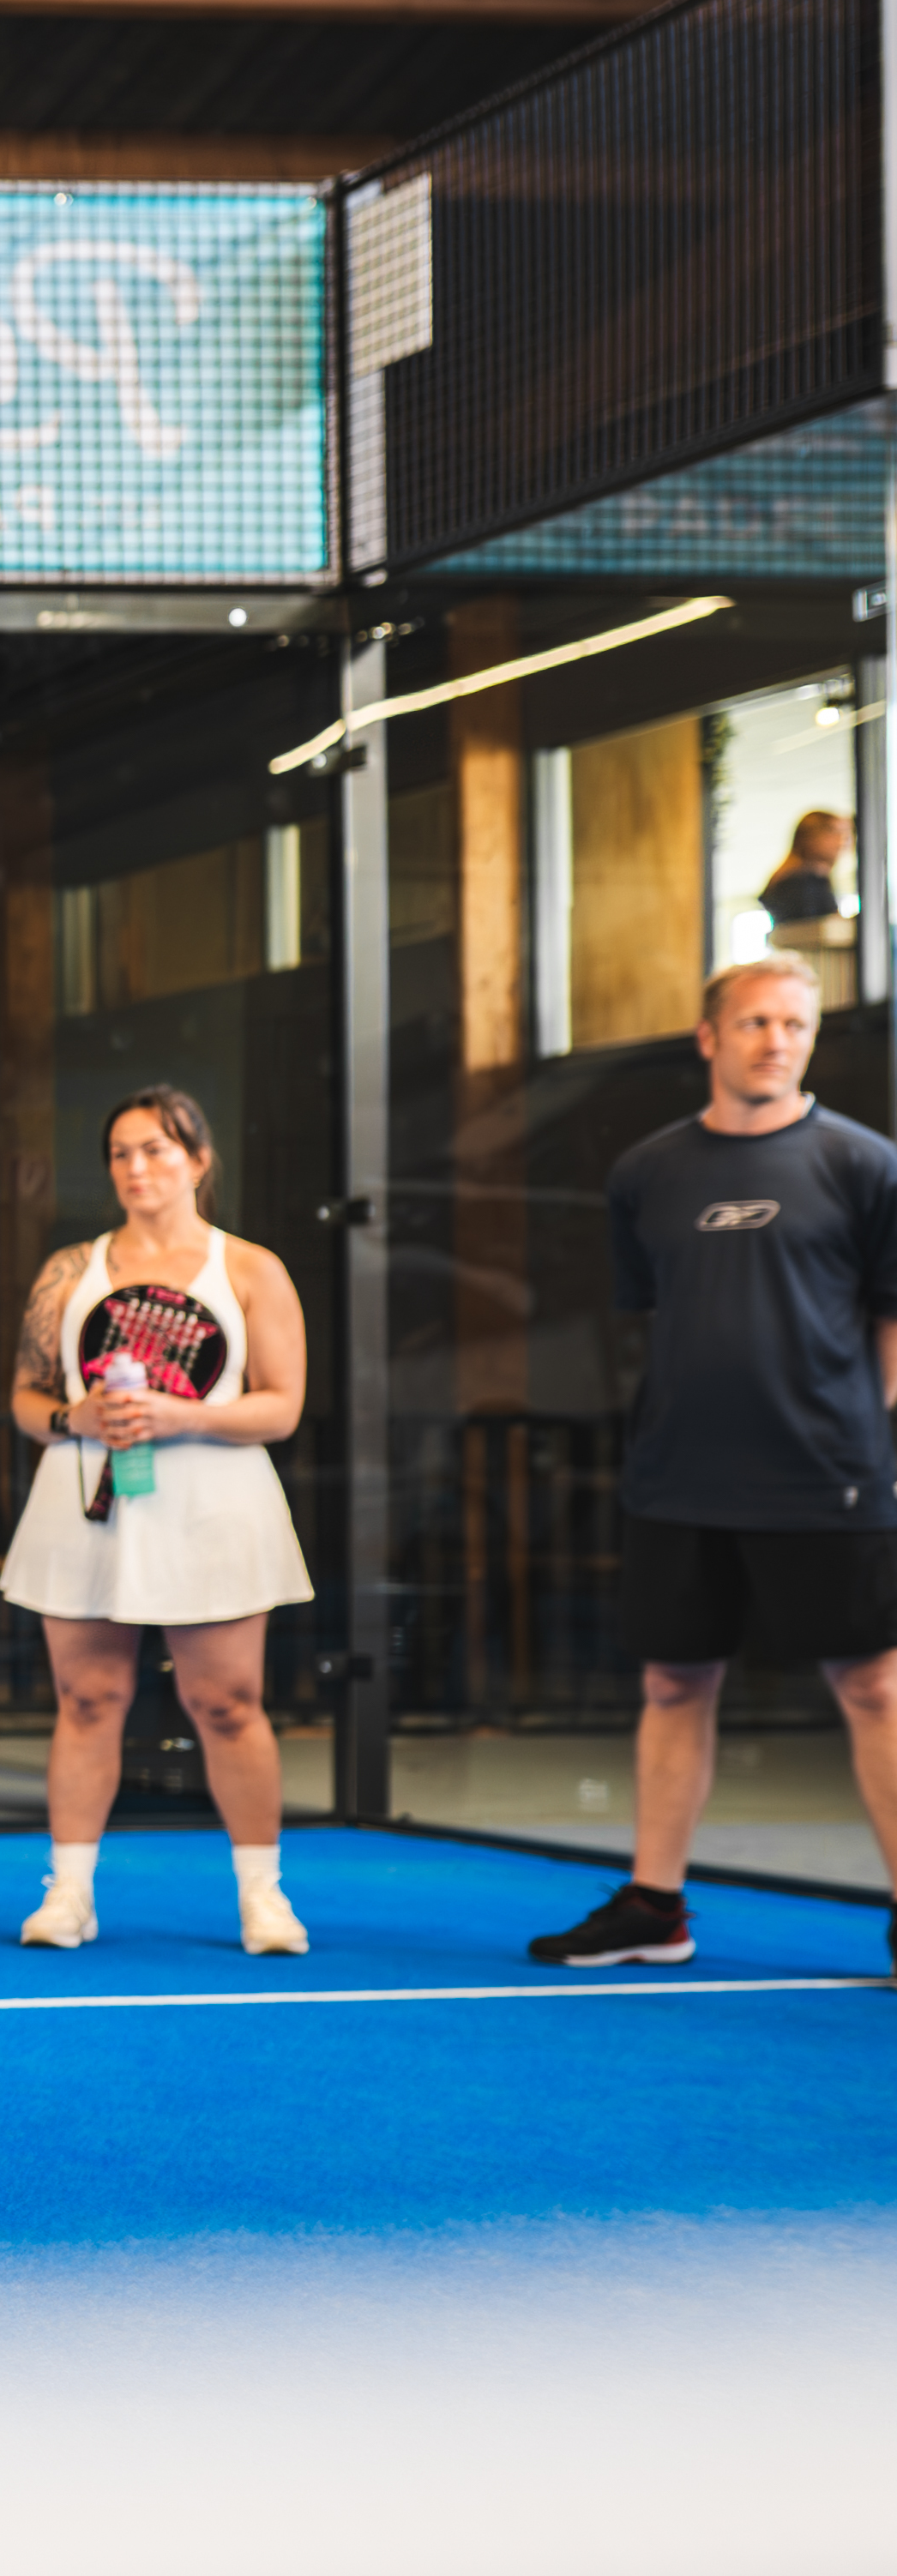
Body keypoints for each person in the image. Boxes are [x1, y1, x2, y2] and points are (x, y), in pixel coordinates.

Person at [531, 960, 897, 1974]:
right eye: (751, 1023)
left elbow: (888, 1324)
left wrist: (851, 1431)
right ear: (707, 1038)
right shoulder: (646, 1173)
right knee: (671, 1682)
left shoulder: (863, 1166)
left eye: (791, 1024)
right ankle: (655, 1909)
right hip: (678, 1478)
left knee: (872, 1687)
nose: (773, 1040)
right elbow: (650, 1313)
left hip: (826, 1477)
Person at [0, 1087, 316, 1953]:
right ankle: (66, 1894)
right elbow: (25, 1400)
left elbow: (282, 1408)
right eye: (120, 1154)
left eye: (156, 1150)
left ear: (198, 1161)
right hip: (84, 1500)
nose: (137, 1168)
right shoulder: (68, 1271)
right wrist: (76, 1419)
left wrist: (183, 1417)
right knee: (87, 1698)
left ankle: (262, 1898)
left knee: (225, 1701)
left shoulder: (249, 1269)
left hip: (211, 1505)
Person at [761, 809, 852, 930]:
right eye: (832, 832)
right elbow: (814, 931)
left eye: (844, 833)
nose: (841, 841)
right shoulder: (801, 880)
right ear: (811, 837)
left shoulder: (790, 877)